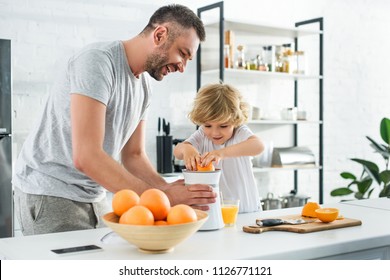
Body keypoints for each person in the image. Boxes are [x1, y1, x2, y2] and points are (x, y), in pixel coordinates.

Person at [12, 4, 216, 236]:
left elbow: (134, 155)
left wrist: (164, 187)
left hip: (95, 195)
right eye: (183, 53)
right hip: (51, 191)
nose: (182, 67)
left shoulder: (144, 86)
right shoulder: (97, 62)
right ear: (160, 35)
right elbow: (87, 156)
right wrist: (164, 197)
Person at [174, 83, 264, 213]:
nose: (215, 133)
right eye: (208, 125)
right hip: (218, 213)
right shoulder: (202, 134)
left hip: (247, 210)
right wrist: (187, 149)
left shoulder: (240, 132)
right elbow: (177, 151)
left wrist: (221, 153)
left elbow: (258, 146)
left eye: (223, 126)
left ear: (235, 121)